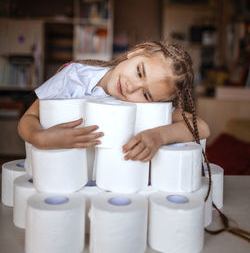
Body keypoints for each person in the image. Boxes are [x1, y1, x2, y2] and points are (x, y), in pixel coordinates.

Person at [18, 41, 210, 162]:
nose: (131, 87)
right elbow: (30, 117)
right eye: (139, 72)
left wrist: (159, 136)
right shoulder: (74, 76)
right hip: (62, 171)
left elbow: (201, 127)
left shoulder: (143, 106)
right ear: (136, 53)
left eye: (146, 94)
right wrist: (40, 138)